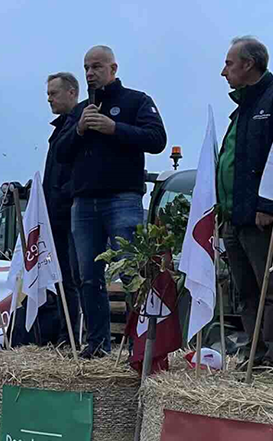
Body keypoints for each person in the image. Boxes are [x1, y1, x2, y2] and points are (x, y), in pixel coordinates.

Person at [57, 45, 168, 358]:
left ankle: (139, 345)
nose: (90, 74)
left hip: (122, 199)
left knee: (131, 272)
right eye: (86, 68)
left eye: (96, 67)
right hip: (84, 205)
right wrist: (78, 130)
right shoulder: (79, 111)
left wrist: (114, 128)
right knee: (87, 277)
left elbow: (157, 139)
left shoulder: (136, 101)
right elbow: (61, 153)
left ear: (113, 69)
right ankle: (97, 346)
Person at [216, 36, 273, 367]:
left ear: (249, 64)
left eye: (228, 63)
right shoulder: (241, 109)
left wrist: (268, 205)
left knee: (271, 288)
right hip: (234, 218)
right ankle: (256, 354)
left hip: (259, 217)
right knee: (246, 292)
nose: (223, 72)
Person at [11, 72, 84, 348]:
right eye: (47, 94)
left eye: (53, 93)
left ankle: (71, 337)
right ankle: (65, 335)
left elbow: (73, 170)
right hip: (55, 213)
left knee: (72, 278)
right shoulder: (62, 128)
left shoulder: (79, 124)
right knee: (63, 278)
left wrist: (62, 196)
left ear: (72, 92)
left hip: (68, 212)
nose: (49, 99)